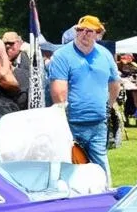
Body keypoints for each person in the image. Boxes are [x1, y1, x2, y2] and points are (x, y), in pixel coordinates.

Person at [48, 14, 121, 184]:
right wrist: (62, 118)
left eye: (89, 31)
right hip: (71, 123)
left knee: (101, 165)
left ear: (98, 34)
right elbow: (59, 92)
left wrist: (108, 106)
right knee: (70, 167)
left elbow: (114, 83)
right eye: (80, 30)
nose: (83, 34)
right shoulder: (62, 56)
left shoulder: (105, 55)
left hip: (98, 123)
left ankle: (104, 196)